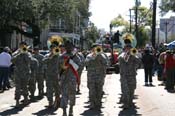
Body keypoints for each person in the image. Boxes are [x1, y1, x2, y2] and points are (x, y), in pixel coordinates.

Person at [59, 40, 81, 116]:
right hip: (64, 79)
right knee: (64, 95)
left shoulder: (76, 57)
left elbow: (78, 67)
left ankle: (71, 109)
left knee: (72, 95)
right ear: (65, 47)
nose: (68, 48)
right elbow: (58, 68)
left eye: (70, 46)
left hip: (72, 79)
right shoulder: (62, 56)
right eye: (67, 46)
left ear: (72, 47)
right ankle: (64, 111)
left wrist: (71, 62)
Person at [85, 44, 107, 111]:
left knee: (99, 90)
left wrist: (100, 56)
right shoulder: (89, 56)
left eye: (96, 49)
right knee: (91, 90)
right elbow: (86, 63)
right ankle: (92, 103)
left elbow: (106, 63)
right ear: (92, 49)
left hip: (99, 76)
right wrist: (92, 58)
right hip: (91, 76)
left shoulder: (102, 56)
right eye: (93, 49)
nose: (95, 50)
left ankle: (98, 102)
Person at [118, 44, 141, 109]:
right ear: (124, 49)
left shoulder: (133, 56)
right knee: (125, 90)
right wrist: (127, 54)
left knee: (132, 90)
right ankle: (125, 103)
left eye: (129, 48)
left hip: (132, 75)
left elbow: (139, 62)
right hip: (124, 76)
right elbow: (122, 59)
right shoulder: (121, 56)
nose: (128, 49)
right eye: (127, 48)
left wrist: (134, 56)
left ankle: (130, 102)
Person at [12, 42, 32, 107]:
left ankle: (26, 99)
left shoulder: (28, 53)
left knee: (25, 87)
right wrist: (19, 53)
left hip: (25, 74)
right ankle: (17, 101)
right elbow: (12, 60)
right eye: (21, 46)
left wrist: (25, 53)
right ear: (19, 46)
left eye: (23, 46)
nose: (22, 47)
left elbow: (29, 61)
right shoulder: (16, 53)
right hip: (17, 74)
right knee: (17, 87)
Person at [43, 44, 61, 109]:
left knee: (57, 89)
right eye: (51, 48)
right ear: (50, 49)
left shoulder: (59, 56)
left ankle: (57, 101)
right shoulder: (47, 55)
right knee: (49, 89)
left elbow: (63, 65)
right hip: (49, 76)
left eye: (54, 48)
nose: (53, 50)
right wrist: (50, 57)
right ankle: (50, 102)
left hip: (57, 75)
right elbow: (43, 62)